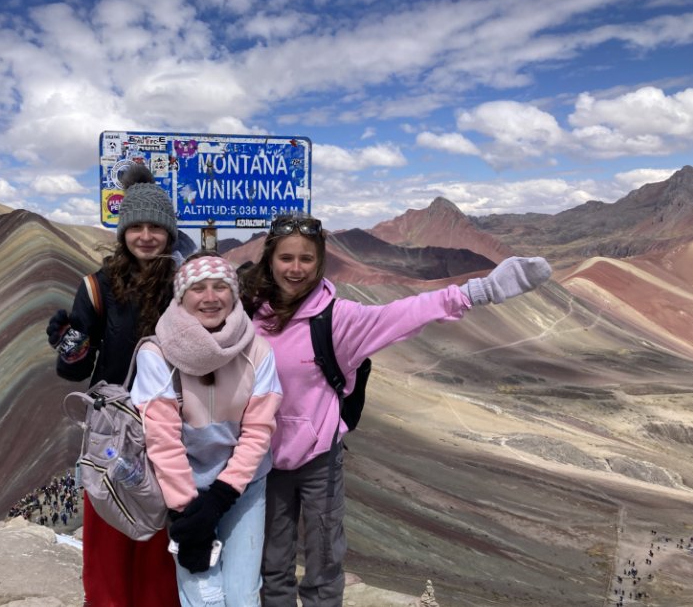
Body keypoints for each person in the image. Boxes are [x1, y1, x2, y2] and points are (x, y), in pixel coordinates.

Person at [239, 212, 552, 606]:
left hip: (319, 461)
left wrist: (480, 291)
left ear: (320, 263)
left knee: (323, 563)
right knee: (272, 564)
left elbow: (407, 313)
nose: (296, 268)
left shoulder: (339, 319)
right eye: (287, 258)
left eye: (307, 258)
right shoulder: (247, 315)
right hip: (264, 461)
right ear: (270, 259)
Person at [46, 178, 187, 607]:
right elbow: (77, 371)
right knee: (108, 522)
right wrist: (72, 346)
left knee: (159, 534)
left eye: (156, 227)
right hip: (112, 429)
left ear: (170, 231)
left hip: (174, 426)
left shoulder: (188, 284)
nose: (146, 236)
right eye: (136, 227)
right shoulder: (96, 287)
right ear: (123, 232)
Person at [131, 253, 283, 606]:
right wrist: (188, 512)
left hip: (242, 487)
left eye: (220, 287)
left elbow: (259, 429)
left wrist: (222, 496)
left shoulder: (257, 350)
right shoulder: (157, 354)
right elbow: (162, 440)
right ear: (181, 297)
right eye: (198, 288)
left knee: (244, 596)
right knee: (206, 598)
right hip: (183, 490)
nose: (210, 297)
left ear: (234, 294)